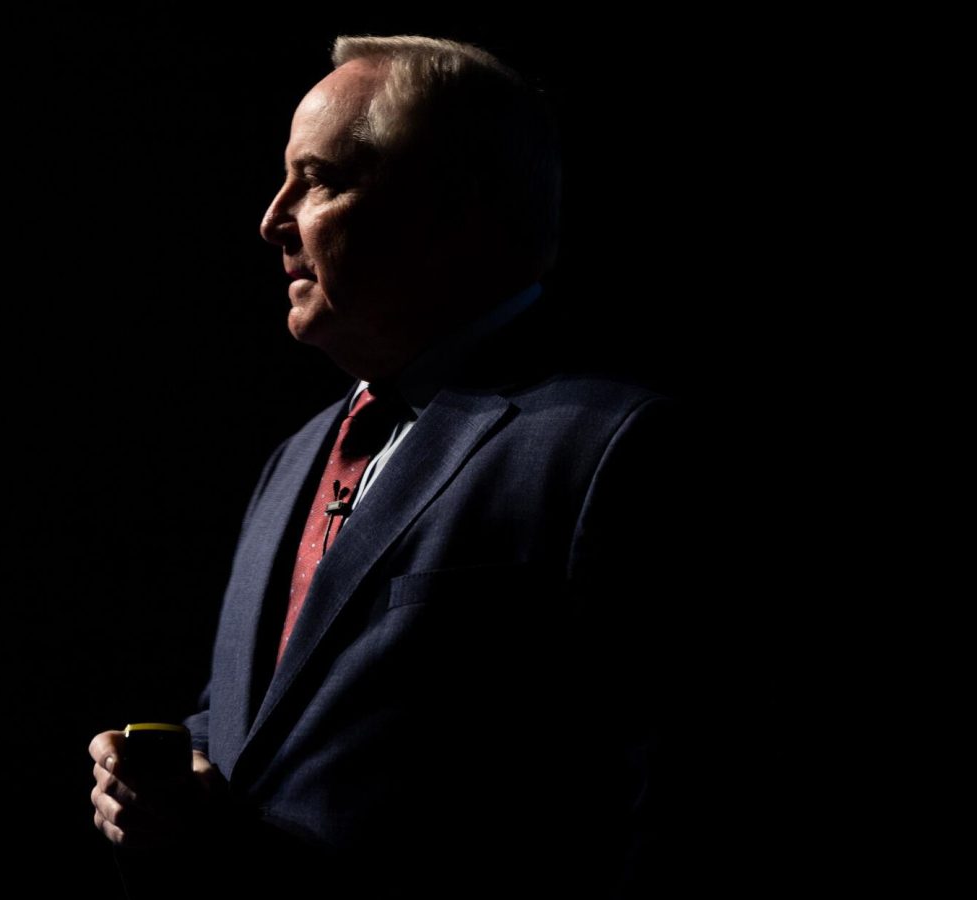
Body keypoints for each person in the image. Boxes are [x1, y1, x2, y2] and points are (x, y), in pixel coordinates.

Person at [90, 34, 691, 896]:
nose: (272, 218)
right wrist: (167, 769)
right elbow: (274, 728)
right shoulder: (295, 458)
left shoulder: (614, 448)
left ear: (452, 209)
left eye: (320, 179)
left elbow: (656, 798)